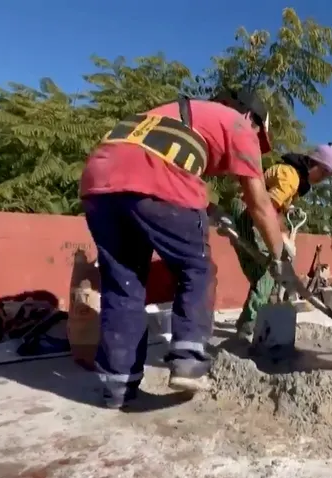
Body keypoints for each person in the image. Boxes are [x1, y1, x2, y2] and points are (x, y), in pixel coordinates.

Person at [79, 89, 288, 408]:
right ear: (252, 118)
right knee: (197, 268)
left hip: (99, 180)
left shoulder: (168, 114)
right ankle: (189, 359)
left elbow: (151, 163)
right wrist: (280, 256)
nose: (255, 145)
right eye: (259, 136)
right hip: (156, 177)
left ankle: (118, 389)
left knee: (124, 284)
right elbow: (258, 203)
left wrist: (208, 207)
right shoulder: (240, 124)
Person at [229, 143, 332, 338]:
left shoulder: (294, 179)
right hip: (247, 212)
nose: (322, 180)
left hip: (253, 212)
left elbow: (273, 205)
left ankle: (254, 319)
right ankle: (248, 327)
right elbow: (267, 209)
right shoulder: (291, 177)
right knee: (266, 273)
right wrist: (282, 237)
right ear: (314, 164)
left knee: (268, 273)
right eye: (323, 174)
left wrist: (287, 212)